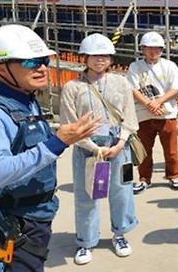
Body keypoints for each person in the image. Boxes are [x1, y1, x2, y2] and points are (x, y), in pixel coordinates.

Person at [0, 25, 100, 272]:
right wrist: (56, 143)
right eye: (30, 63)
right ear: (0, 68)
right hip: (8, 223)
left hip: (34, 217)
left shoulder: (26, 100)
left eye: (43, 60)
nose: (42, 68)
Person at [59, 33, 139, 265]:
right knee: (87, 196)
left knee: (121, 192)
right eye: (94, 56)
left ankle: (120, 234)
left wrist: (121, 142)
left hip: (117, 145)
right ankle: (86, 241)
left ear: (111, 58)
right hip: (88, 147)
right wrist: (94, 148)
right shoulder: (72, 87)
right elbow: (69, 123)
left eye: (104, 55)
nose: (100, 60)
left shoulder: (121, 82)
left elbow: (130, 117)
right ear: (84, 58)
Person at [127, 31, 178, 193]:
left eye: (157, 48)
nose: (153, 52)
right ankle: (144, 178)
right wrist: (149, 104)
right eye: (149, 48)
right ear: (143, 49)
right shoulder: (135, 66)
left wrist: (158, 101)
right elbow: (132, 88)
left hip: (166, 113)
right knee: (144, 149)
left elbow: (176, 88)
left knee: (171, 149)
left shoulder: (169, 66)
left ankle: (174, 175)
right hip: (143, 114)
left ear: (161, 49)